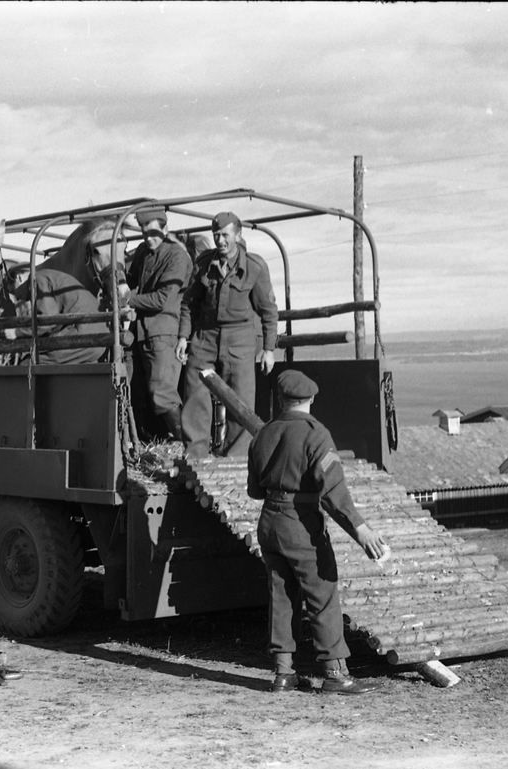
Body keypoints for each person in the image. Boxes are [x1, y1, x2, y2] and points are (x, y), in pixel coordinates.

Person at [247, 370, 389, 695]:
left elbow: (255, 491)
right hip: (301, 524)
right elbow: (333, 490)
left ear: (281, 400)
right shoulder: (316, 434)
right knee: (322, 593)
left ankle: (284, 673)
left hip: (269, 522)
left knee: (281, 596)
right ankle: (336, 673)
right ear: (311, 399)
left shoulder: (263, 434)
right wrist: (361, 529)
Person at [176, 212, 278, 458]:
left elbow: (268, 310)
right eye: (216, 235)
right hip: (205, 336)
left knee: (240, 399)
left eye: (225, 235)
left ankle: (237, 458)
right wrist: (183, 337)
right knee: (194, 391)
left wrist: (269, 349)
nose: (220, 241)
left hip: (240, 338)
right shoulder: (203, 263)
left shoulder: (254, 267)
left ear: (238, 236)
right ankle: (195, 456)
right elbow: (189, 304)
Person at [124, 210, 192, 441]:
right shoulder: (143, 252)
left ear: (165, 229)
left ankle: (189, 447)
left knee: (162, 393)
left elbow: (163, 299)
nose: (148, 238)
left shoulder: (176, 256)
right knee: (140, 392)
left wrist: (127, 299)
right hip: (141, 332)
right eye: (144, 234)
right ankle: (155, 440)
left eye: (154, 233)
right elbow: (132, 279)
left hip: (163, 332)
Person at [12, 266, 108, 364]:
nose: (16, 298)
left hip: (82, 335)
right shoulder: (51, 276)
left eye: (12, 292)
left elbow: (46, 321)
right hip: (98, 339)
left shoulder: (38, 279)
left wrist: (16, 332)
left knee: (27, 364)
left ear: (18, 278)